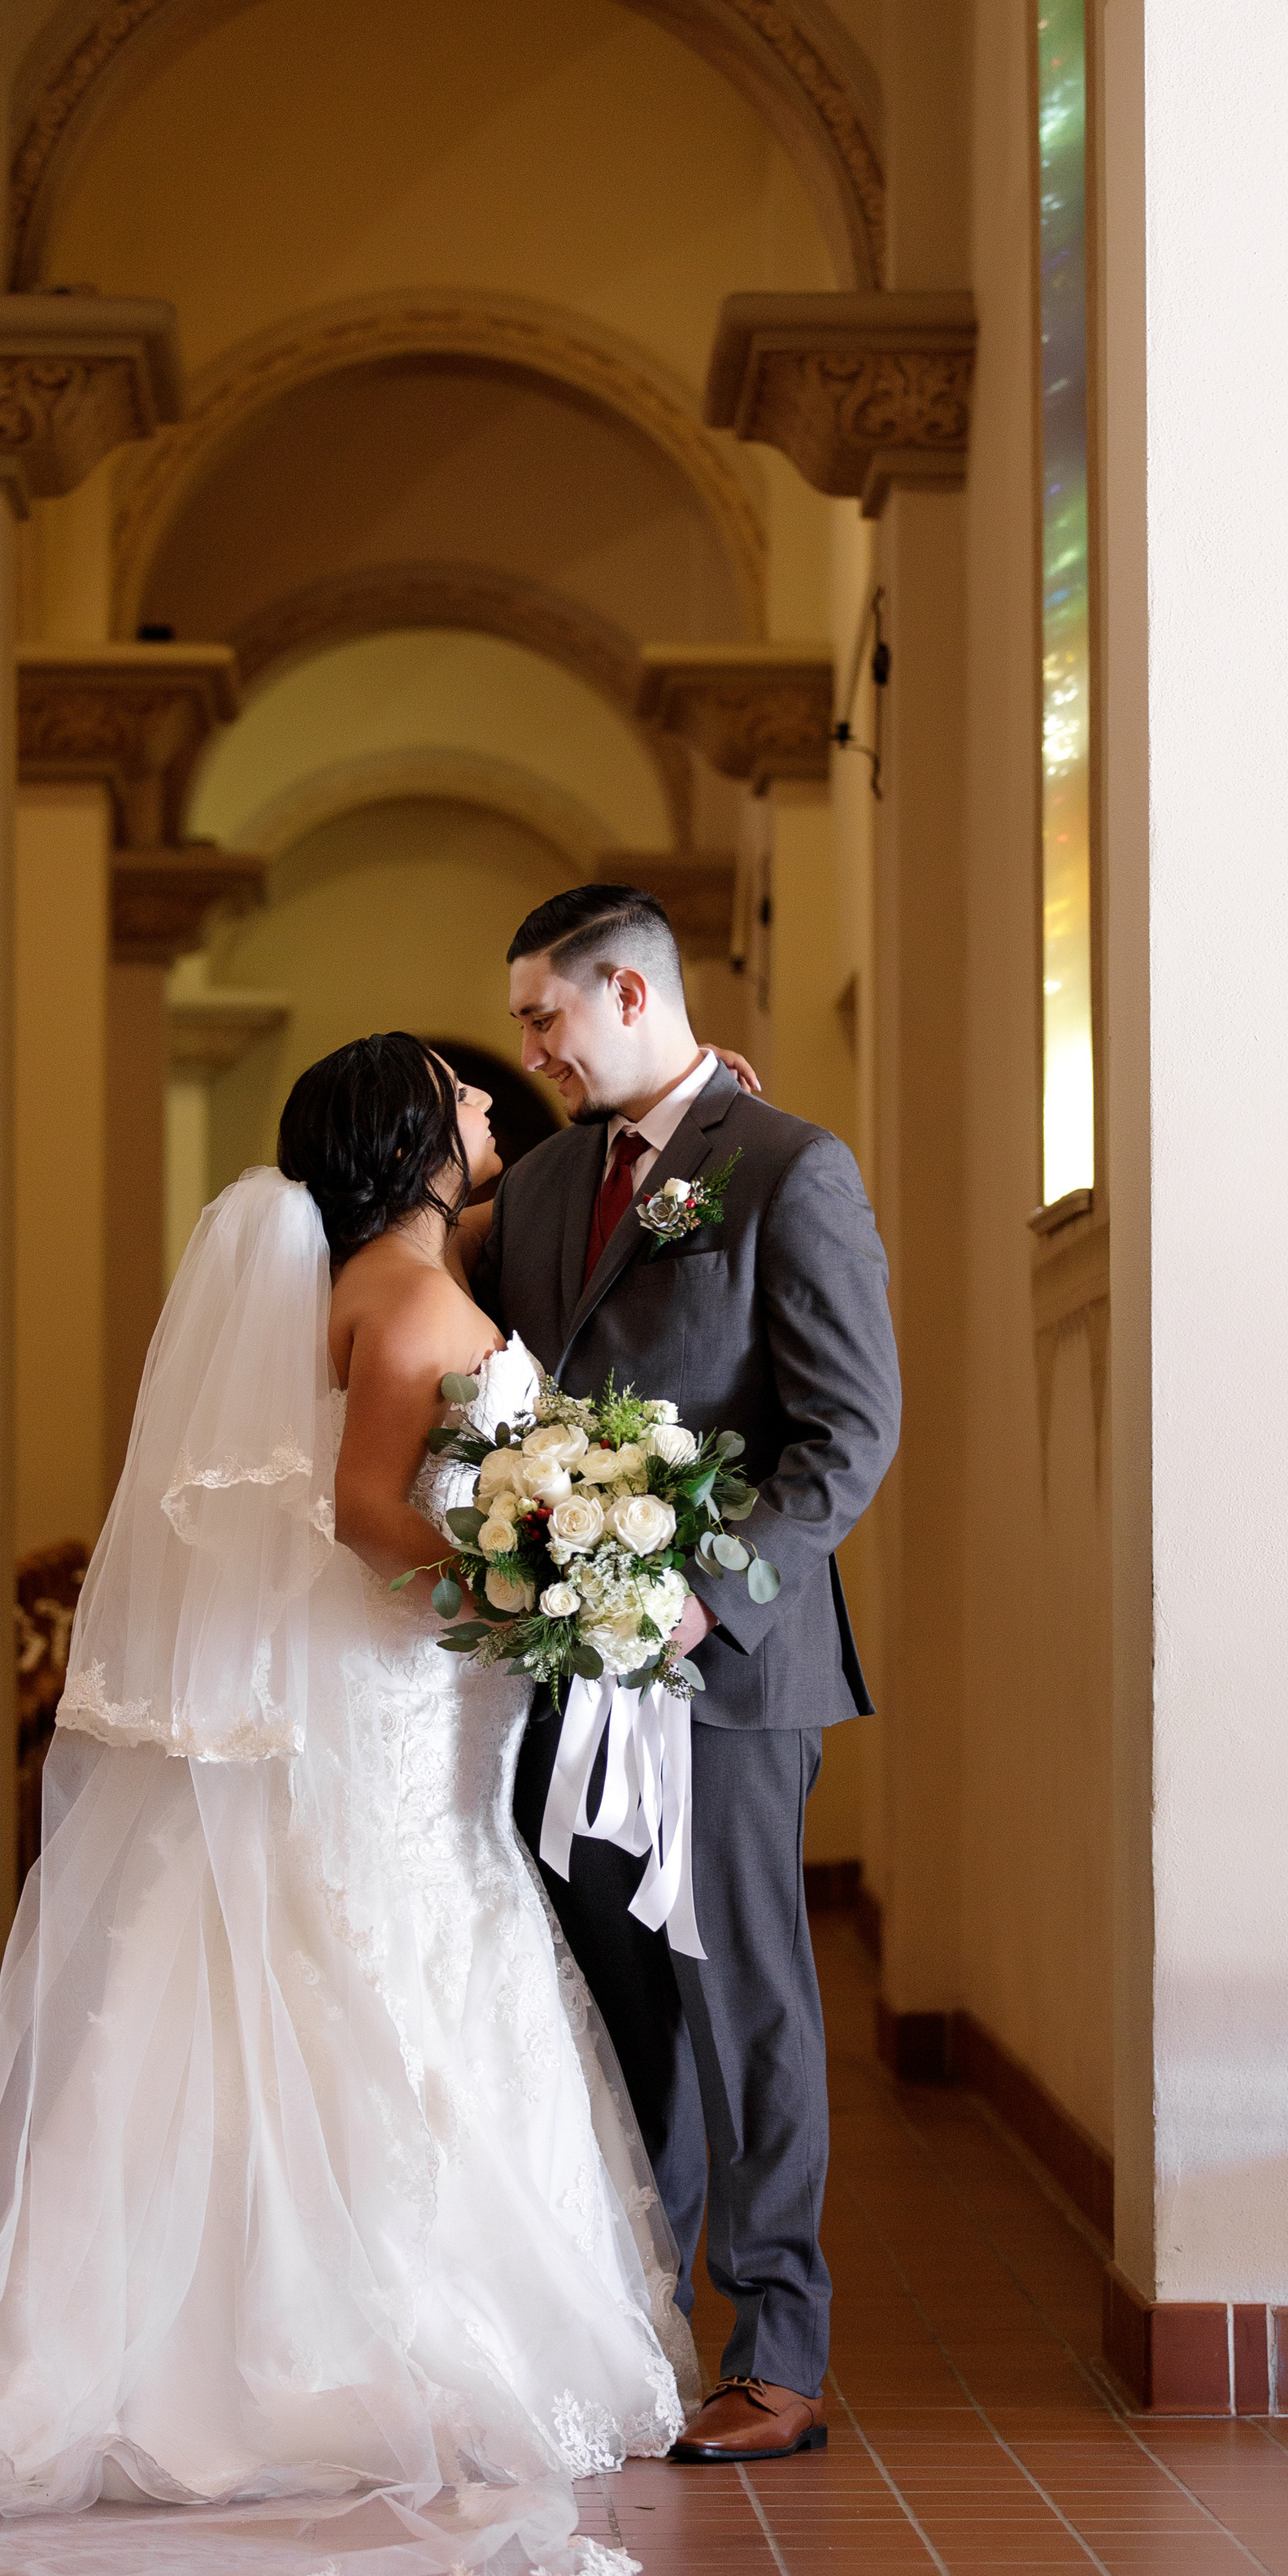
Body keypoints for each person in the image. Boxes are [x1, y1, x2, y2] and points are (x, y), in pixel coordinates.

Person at [0, 1035, 694, 2576]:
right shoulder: (401, 1299)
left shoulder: (382, 1284)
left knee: (375, 1958)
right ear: (410, 1138)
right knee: (383, 1964)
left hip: (410, 1706)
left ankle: (277, 2312)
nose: (487, 1110)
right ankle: (344, 2340)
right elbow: (365, 1511)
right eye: (464, 1101)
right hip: (401, 1702)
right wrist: (529, 1581)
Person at [471, 885, 901, 2464]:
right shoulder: (534, 1192)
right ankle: (632, 2323)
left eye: (546, 1018)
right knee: (609, 2002)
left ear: (632, 998)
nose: (534, 1049)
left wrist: (704, 1600)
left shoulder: (788, 1169)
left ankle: (775, 2343)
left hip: (724, 1670)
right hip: (566, 1667)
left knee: (747, 2005)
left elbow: (844, 1430)